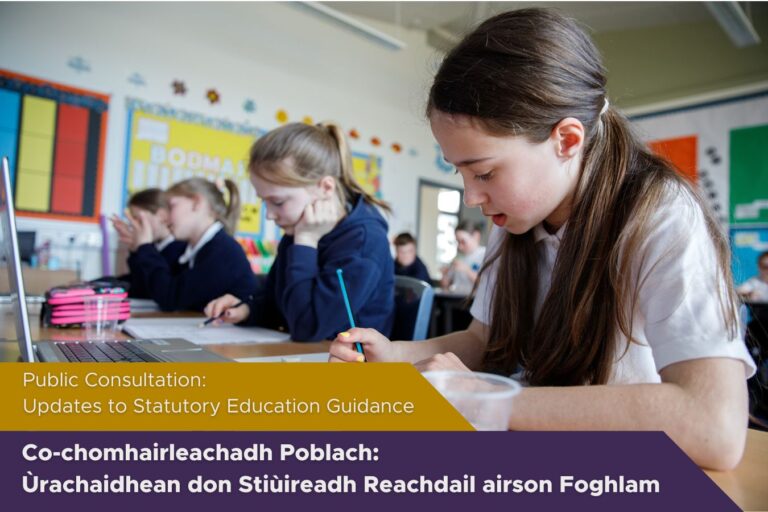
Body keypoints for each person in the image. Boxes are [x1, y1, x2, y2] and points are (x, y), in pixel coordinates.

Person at [330, 8, 755, 470]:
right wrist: (395, 357)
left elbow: (716, 428)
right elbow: (484, 340)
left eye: (485, 171)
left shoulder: (661, 215)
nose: (472, 196)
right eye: (461, 172)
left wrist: (487, 399)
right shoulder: (516, 215)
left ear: (567, 140)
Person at [204, 122, 395, 341]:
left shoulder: (364, 242)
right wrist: (247, 309)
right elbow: (282, 303)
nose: (269, 215)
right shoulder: (296, 232)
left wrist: (306, 241)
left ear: (325, 188)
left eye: (277, 201)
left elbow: (308, 327)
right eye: (264, 201)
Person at [124, 177, 256, 311]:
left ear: (196, 203)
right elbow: (150, 289)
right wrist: (139, 249)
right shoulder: (193, 250)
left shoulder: (223, 251)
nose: (164, 217)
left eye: (171, 206)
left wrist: (145, 247)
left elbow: (171, 298)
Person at [110, 188, 186, 299]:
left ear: (162, 216)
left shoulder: (180, 249)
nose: (135, 226)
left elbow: (149, 287)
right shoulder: (155, 247)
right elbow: (138, 279)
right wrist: (135, 249)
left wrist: (143, 247)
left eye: (138, 219)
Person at [440, 220, 485, 293]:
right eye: (458, 242)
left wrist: (467, 270)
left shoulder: (485, 255)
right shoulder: (458, 257)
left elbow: (487, 284)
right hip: (456, 298)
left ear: (476, 236)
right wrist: (444, 274)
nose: (460, 246)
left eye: (463, 241)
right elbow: (445, 285)